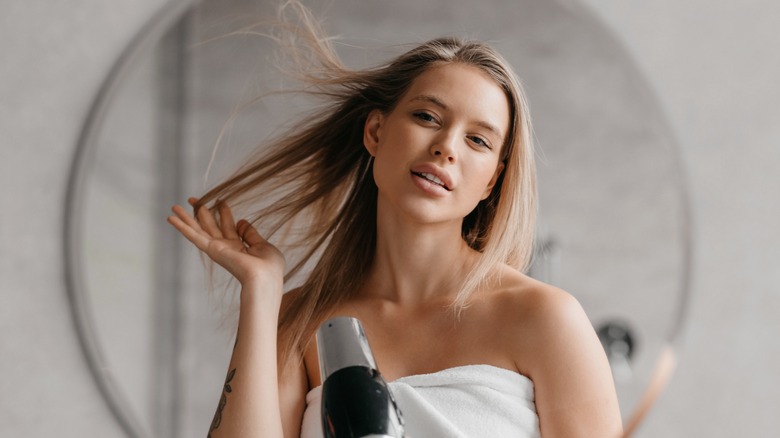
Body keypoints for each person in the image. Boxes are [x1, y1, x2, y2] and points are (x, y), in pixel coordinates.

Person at [167, 2, 622, 437]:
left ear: (491, 182)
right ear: (376, 132)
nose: (447, 146)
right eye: (427, 116)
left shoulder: (544, 319)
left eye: (478, 141)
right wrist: (262, 293)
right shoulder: (301, 320)